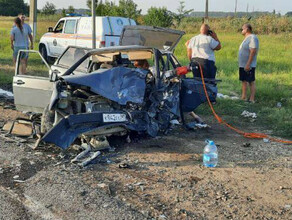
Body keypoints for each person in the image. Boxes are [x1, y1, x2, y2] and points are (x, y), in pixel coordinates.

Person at [238, 23, 259, 103]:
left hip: (249, 65)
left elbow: (253, 51)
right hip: (243, 64)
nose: (242, 30)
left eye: (242, 29)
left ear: (246, 29)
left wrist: (248, 64)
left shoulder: (252, 38)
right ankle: (243, 97)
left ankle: (252, 99)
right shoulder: (247, 38)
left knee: (251, 81)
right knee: (244, 80)